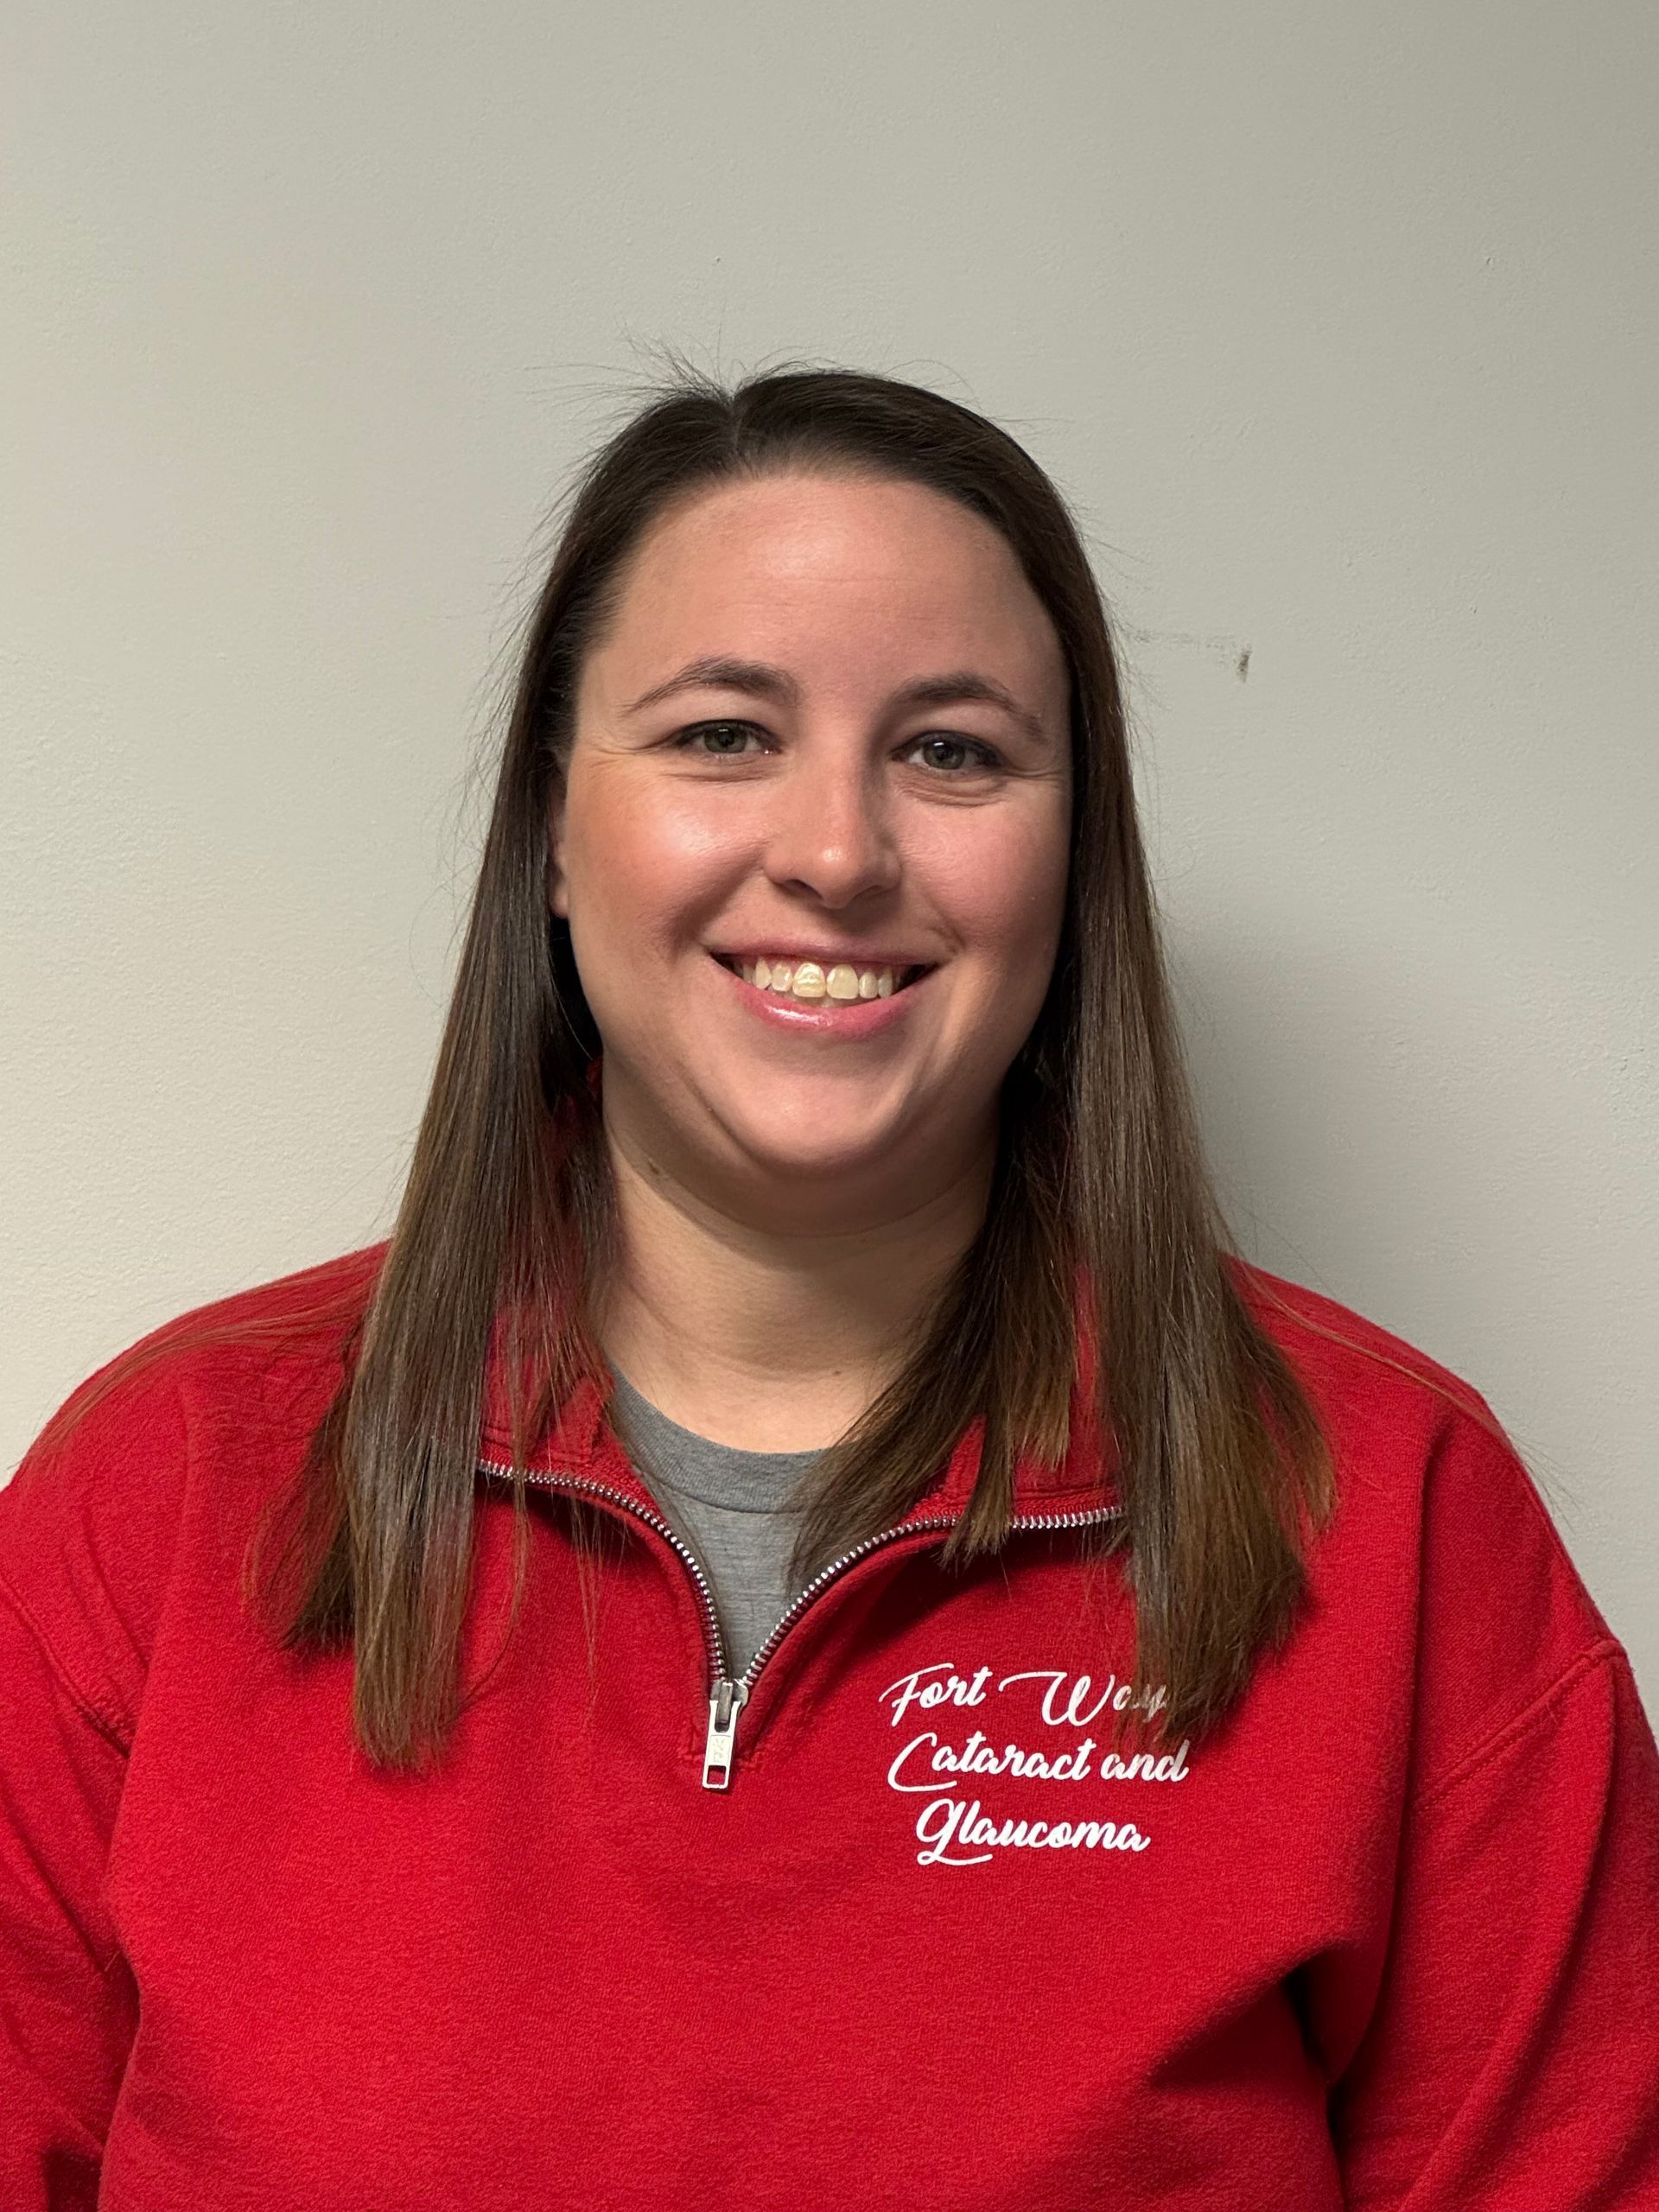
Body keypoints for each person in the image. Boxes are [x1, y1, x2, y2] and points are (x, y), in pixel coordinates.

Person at [3, 364, 1656, 2211]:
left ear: (1071, 849)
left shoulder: (1394, 1514)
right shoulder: (158, 1494)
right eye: (722, 733)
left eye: (952, 749)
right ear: (556, 824)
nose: (840, 851)